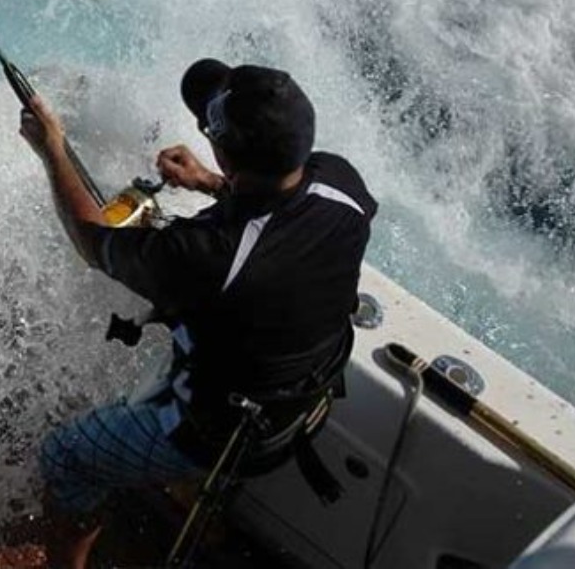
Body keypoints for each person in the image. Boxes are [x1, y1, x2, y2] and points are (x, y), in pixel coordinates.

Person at [19, 59, 377, 567]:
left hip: (221, 434)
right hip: (302, 402)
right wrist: (209, 182)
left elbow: (92, 241)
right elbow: (275, 214)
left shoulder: (205, 255)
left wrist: (52, 149)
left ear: (229, 157)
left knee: (66, 457)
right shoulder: (341, 182)